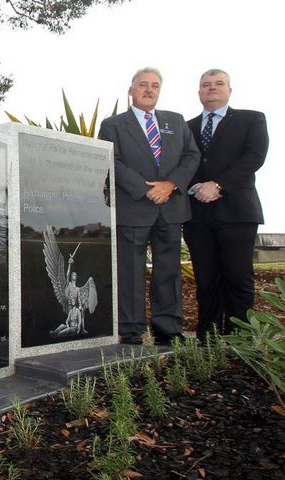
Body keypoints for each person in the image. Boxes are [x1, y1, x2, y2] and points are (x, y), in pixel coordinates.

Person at [99, 68, 200, 344]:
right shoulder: (113, 124)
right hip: (134, 208)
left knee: (169, 270)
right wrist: (146, 190)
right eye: (143, 84)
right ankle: (131, 329)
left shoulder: (176, 121)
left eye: (155, 85)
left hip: (171, 207)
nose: (149, 89)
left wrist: (170, 185)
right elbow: (112, 161)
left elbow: (192, 156)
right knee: (130, 271)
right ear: (131, 90)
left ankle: (168, 329)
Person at [184, 69, 268, 337]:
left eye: (219, 84)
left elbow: (254, 157)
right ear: (199, 93)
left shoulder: (252, 120)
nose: (212, 88)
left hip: (238, 212)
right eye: (206, 85)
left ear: (229, 90)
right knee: (206, 280)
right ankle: (206, 338)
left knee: (238, 278)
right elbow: (181, 163)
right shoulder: (186, 128)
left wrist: (218, 185)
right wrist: (197, 186)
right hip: (197, 215)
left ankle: (240, 338)